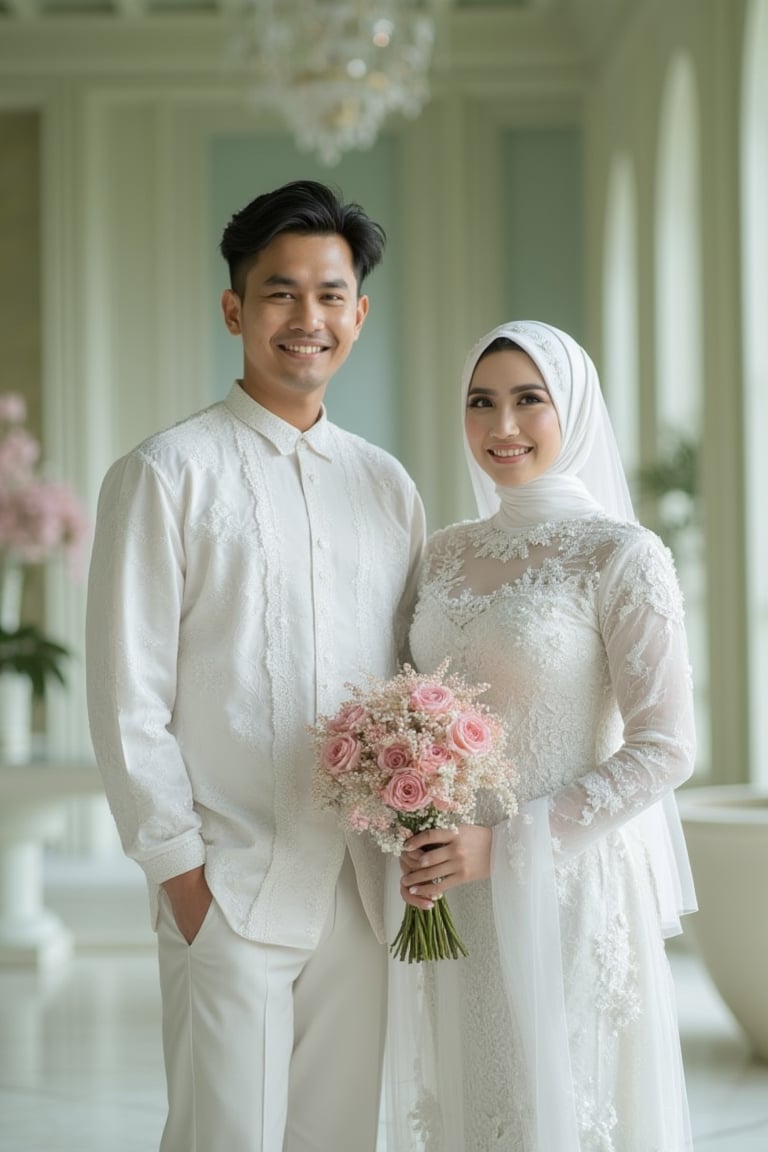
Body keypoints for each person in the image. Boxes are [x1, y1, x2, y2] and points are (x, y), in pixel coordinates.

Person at [85, 179, 426, 1152]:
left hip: (362, 893)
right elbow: (126, 699)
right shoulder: (165, 474)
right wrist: (184, 883)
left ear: (358, 314)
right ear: (236, 308)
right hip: (230, 884)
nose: (305, 318)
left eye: (329, 295)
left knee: (341, 1138)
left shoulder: (388, 486)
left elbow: (409, 678)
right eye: (280, 292)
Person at [385, 320, 697, 1151]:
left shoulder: (622, 557)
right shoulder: (442, 553)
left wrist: (510, 843)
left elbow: (666, 745)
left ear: (577, 410)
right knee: (472, 1100)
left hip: (566, 880)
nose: (503, 427)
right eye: (481, 403)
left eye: (531, 400)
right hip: (453, 887)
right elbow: (407, 703)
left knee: (559, 1107)